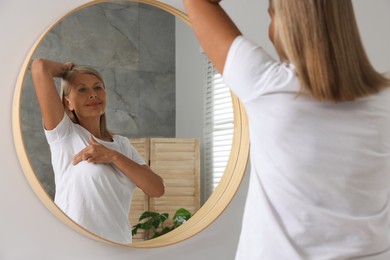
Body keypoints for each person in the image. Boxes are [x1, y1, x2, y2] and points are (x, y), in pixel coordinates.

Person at [184, 0, 390, 259]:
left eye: (272, 16)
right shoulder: (385, 101)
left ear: (289, 23)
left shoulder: (269, 88)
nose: (270, 31)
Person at [31, 59, 165, 244]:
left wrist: (112, 156)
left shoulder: (122, 145)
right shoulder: (65, 135)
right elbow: (40, 67)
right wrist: (67, 70)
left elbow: (157, 189)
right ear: (68, 102)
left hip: (119, 247)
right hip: (73, 248)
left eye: (97, 87)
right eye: (82, 89)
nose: (93, 94)